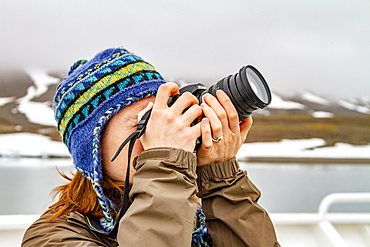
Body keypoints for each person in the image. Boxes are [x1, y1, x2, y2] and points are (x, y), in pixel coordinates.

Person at [22, 47, 279, 246]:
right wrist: (165, 166)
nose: (162, 131)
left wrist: (220, 178)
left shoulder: (194, 211)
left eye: (162, 114)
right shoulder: (50, 237)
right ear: (93, 151)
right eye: (144, 122)